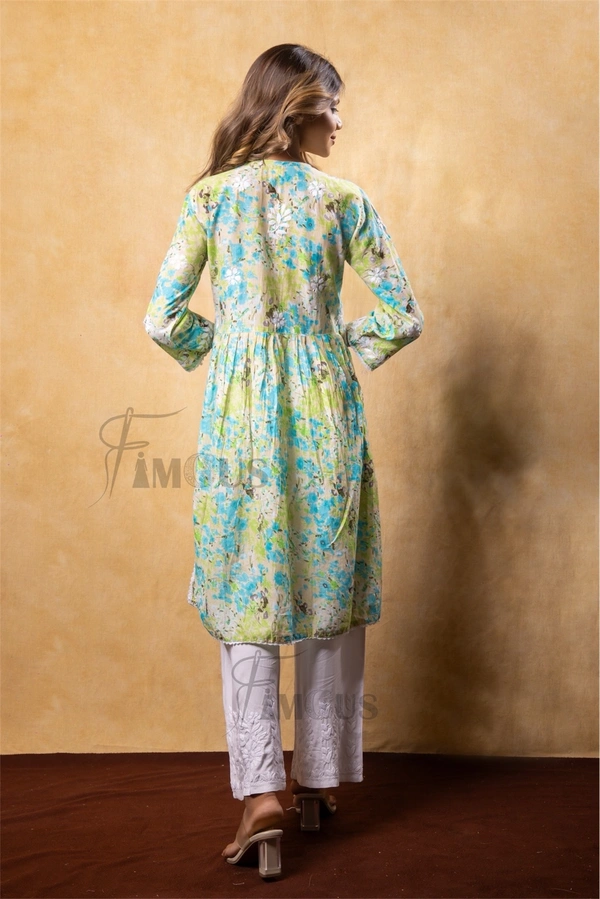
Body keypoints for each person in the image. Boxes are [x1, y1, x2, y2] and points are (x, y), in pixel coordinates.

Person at [143, 43, 424, 878]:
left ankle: (261, 790)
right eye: (333, 106)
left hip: (241, 420)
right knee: (328, 585)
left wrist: (229, 352)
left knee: (246, 590)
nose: (340, 122)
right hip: (325, 409)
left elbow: (163, 319)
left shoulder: (210, 198)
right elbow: (401, 315)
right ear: (298, 107)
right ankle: (319, 776)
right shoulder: (342, 201)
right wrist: (335, 345)